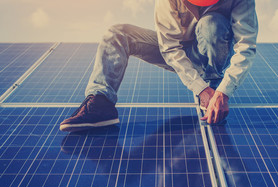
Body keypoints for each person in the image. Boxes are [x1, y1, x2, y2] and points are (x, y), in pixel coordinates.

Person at [59, 0, 258, 132]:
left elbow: (246, 46)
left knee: (211, 23)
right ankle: (101, 104)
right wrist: (199, 88)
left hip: (212, 52)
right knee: (116, 33)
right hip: (177, 50)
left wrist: (223, 91)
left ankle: (212, 81)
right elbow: (170, 47)